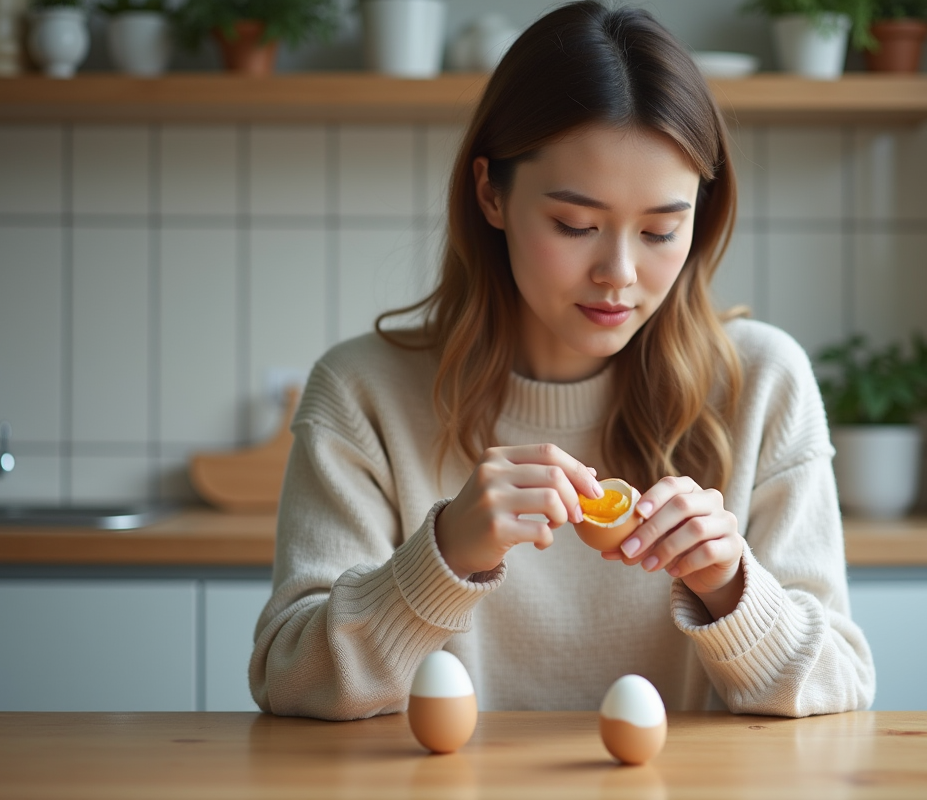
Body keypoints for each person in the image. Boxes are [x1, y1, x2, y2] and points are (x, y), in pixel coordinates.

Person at [249, 0, 875, 720]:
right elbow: (289, 678)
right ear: (491, 193)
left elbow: (842, 683)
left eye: (660, 231)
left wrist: (731, 586)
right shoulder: (363, 393)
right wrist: (444, 555)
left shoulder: (761, 383)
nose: (619, 274)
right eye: (575, 225)